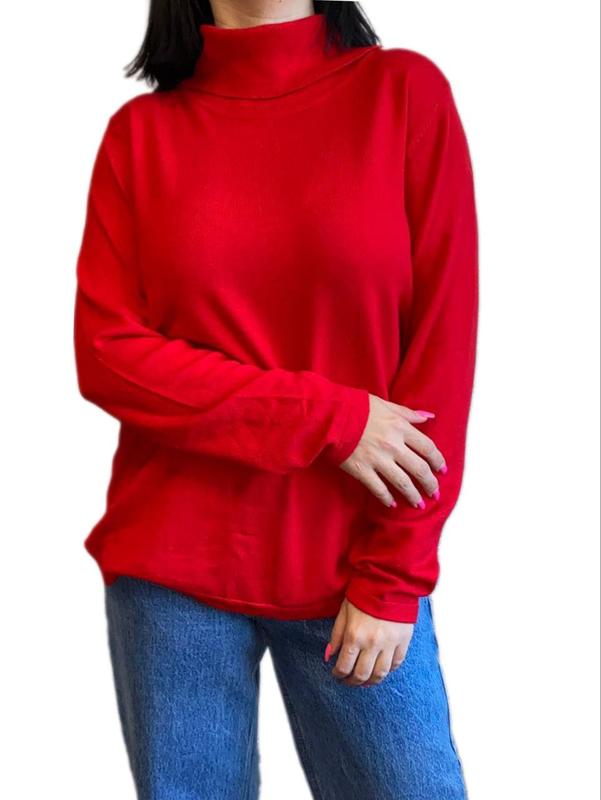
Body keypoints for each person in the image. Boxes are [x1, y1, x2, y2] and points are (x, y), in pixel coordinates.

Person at [74, 1, 478, 797]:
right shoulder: (140, 136)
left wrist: (394, 573)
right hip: (170, 573)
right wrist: (331, 419)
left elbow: (441, 354)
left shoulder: (403, 94)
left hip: (351, 567)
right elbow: (107, 355)